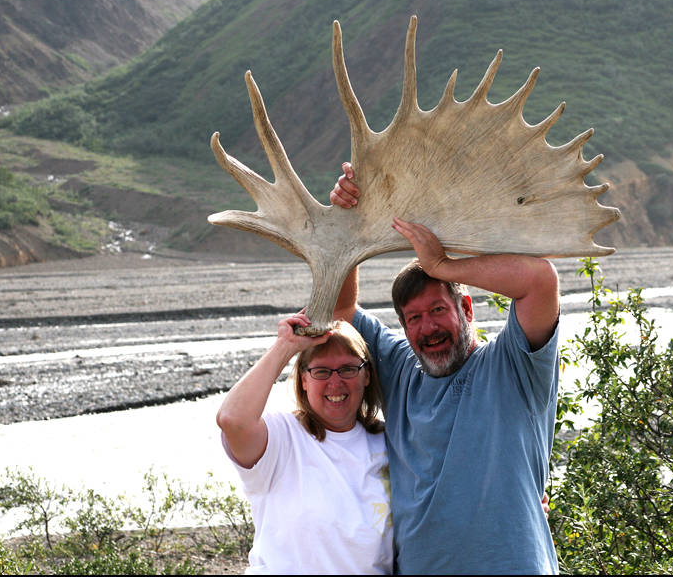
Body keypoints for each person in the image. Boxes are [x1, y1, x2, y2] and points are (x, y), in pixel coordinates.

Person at [330, 162, 562, 574]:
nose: (428, 327)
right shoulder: (400, 368)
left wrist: (442, 265)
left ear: (466, 308)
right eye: (413, 318)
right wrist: (350, 225)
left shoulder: (513, 366)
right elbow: (340, 310)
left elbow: (540, 279)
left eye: (438, 309)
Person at [216, 312, 394, 574]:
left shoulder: (389, 443)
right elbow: (232, 419)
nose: (336, 382)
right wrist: (285, 346)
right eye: (321, 371)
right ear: (303, 379)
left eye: (348, 369)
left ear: (366, 375)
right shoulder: (281, 438)